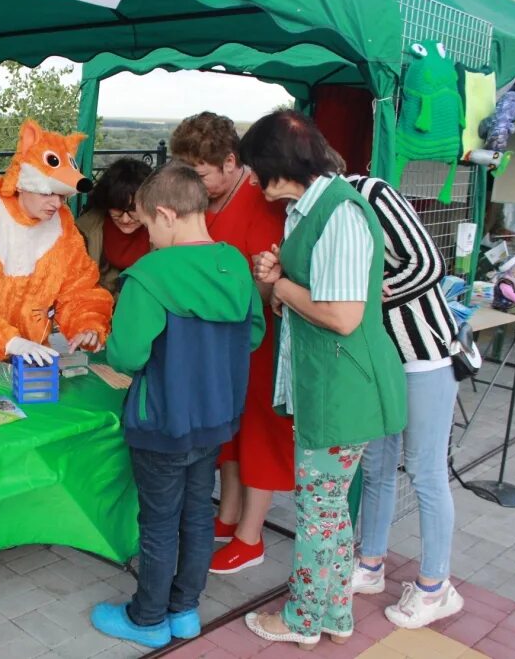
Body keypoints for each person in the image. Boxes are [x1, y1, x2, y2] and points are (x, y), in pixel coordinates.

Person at [244, 110, 406, 649]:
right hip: (326, 383)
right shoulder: (309, 210)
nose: (251, 179)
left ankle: (303, 619)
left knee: (318, 511)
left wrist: (282, 287)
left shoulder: (338, 213)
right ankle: (335, 615)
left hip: (342, 387)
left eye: (254, 168)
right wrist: (279, 279)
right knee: (330, 508)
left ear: (276, 165)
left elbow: (342, 315)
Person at [90, 161, 265, 648]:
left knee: (159, 521)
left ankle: (147, 618)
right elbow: (253, 334)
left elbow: (126, 355)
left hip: (161, 419)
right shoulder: (234, 264)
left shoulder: (149, 275)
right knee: (194, 514)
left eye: (147, 225)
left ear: (166, 215)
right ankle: (184, 611)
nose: (146, 237)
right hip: (215, 417)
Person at [170, 111, 294, 573]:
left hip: (260, 333)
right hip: (220, 338)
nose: (197, 186)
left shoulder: (264, 200)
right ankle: (227, 515)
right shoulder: (208, 199)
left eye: (201, 174)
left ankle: (251, 535)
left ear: (229, 160)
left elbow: (271, 278)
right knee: (231, 427)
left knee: (260, 429)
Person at [346, 174, 465, 628]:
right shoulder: (320, 214)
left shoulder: (369, 193)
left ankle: (436, 587)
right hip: (385, 362)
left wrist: (373, 290)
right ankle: (371, 563)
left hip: (427, 357)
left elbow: (428, 264)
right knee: (376, 466)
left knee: (425, 471)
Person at [0, 119, 114, 376]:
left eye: (62, 196)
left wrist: (87, 325)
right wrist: (9, 341)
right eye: (48, 193)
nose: (56, 204)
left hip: (27, 364)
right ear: (24, 184)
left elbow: (78, 287)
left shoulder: (63, 223)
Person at [75, 158, 153, 296]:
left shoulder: (168, 232)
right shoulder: (84, 230)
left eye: (133, 209)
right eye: (117, 209)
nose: (125, 219)